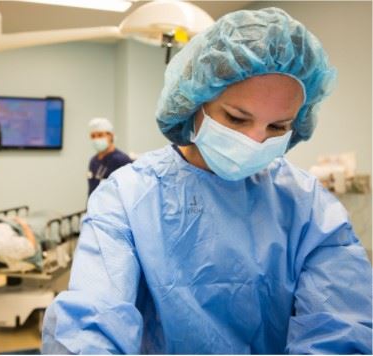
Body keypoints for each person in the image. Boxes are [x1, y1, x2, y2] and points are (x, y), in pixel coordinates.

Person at [42, 8, 372, 354]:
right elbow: (92, 324)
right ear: (195, 104)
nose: (255, 140)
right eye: (236, 118)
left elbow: (342, 327)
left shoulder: (308, 207)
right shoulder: (127, 197)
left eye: (277, 127)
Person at [87, 117, 132, 196]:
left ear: (111, 136)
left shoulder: (121, 160)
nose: (96, 139)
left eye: (100, 135)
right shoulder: (93, 161)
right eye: (93, 136)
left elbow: (129, 191)